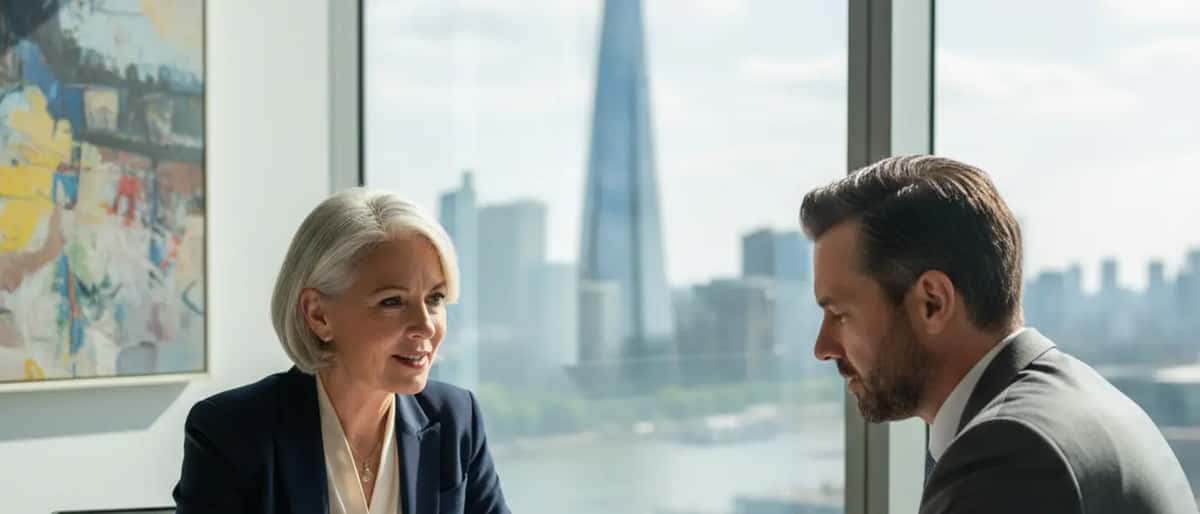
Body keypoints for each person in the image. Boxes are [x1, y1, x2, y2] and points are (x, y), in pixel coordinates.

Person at [799, 155, 1196, 513]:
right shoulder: (1075, 402)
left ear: (932, 303)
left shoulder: (1010, 454)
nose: (823, 348)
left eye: (839, 314)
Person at [174, 189, 510, 514]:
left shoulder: (454, 418)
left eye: (435, 298)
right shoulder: (231, 433)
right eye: (392, 301)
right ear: (318, 314)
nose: (425, 325)